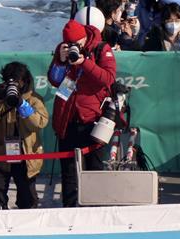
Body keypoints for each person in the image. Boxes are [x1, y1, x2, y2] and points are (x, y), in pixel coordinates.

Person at [47, 19, 117, 207]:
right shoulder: (64, 50)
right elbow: (55, 81)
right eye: (69, 45)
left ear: (85, 38)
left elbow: (108, 78)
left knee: (94, 170)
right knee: (69, 172)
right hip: (67, 119)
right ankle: (69, 210)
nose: (73, 48)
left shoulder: (101, 48)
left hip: (92, 119)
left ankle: (96, 210)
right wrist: (60, 62)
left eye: (76, 44)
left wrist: (84, 62)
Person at [0, 62, 49, 210]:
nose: (14, 85)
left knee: (28, 201)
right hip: (1, 153)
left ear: (24, 81)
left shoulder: (34, 99)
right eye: (9, 81)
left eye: (17, 81)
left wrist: (23, 105)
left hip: (26, 155)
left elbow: (40, 122)